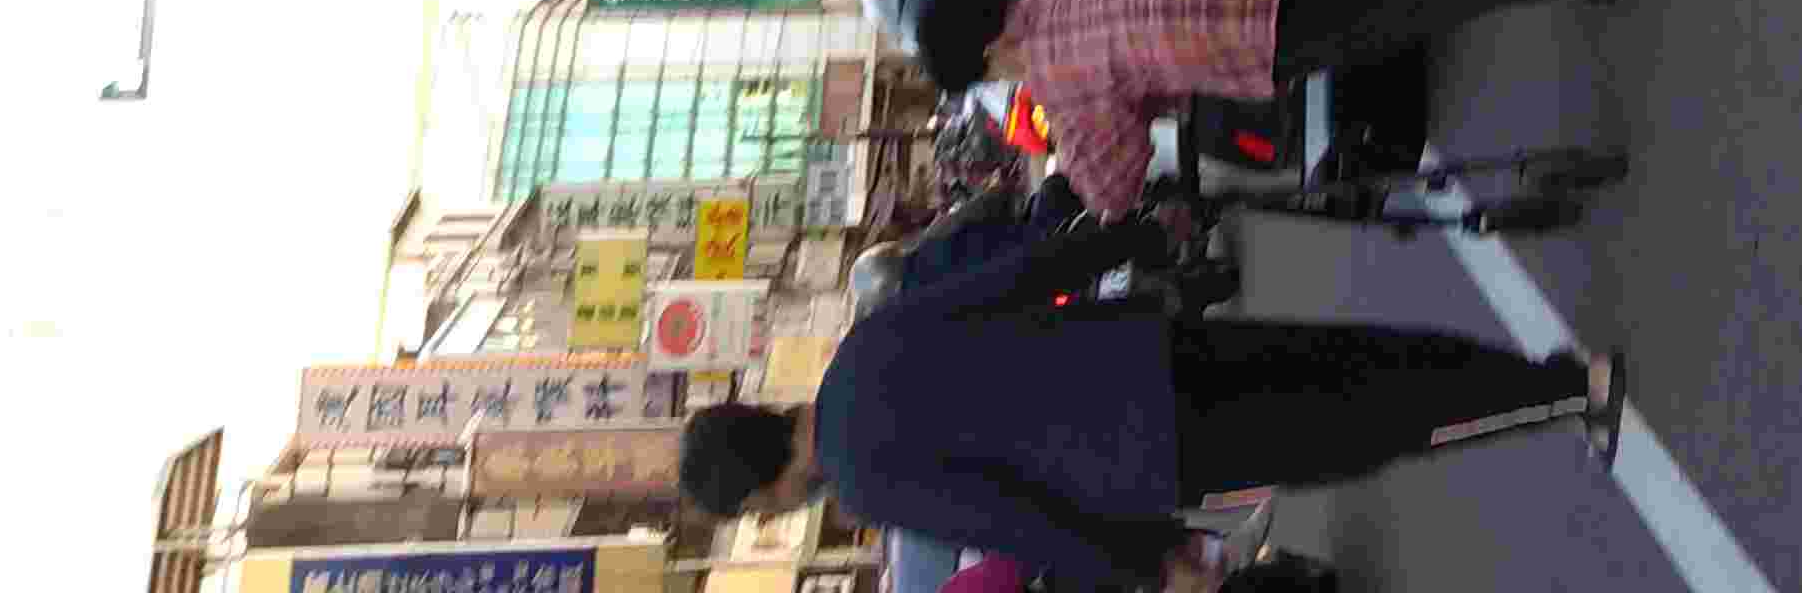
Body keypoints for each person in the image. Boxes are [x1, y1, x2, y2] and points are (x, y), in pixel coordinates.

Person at [674, 228, 1622, 587]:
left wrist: (1148, 562)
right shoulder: (862, 345)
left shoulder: (868, 483)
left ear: (761, 493)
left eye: (758, 510)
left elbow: (1012, 518)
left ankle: (1560, 394)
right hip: (1142, 349)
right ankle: (1546, 372)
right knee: (1349, 350)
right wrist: (1123, 240)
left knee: (1365, 424)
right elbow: (1012, 278)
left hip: (1156, 454)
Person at [912, 0, 1672, 225]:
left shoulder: (1060, 85)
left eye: (987, 74)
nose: (1001, 81)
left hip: (1264, 24)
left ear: (988, 53)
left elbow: (1113, 187)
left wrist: (1068, 193)